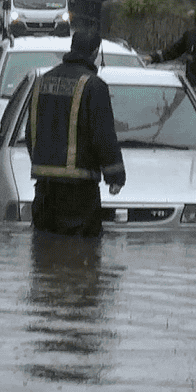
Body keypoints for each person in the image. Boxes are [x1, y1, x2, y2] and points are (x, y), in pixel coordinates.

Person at [28, 28, 126, 237]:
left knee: (46, 254)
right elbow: (103, 135)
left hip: (43, 191)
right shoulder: (94, 86)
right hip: (79, 194)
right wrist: (115, 176)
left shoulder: (41, 81)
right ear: (95, 53)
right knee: (81, 257)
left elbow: (31, 132)